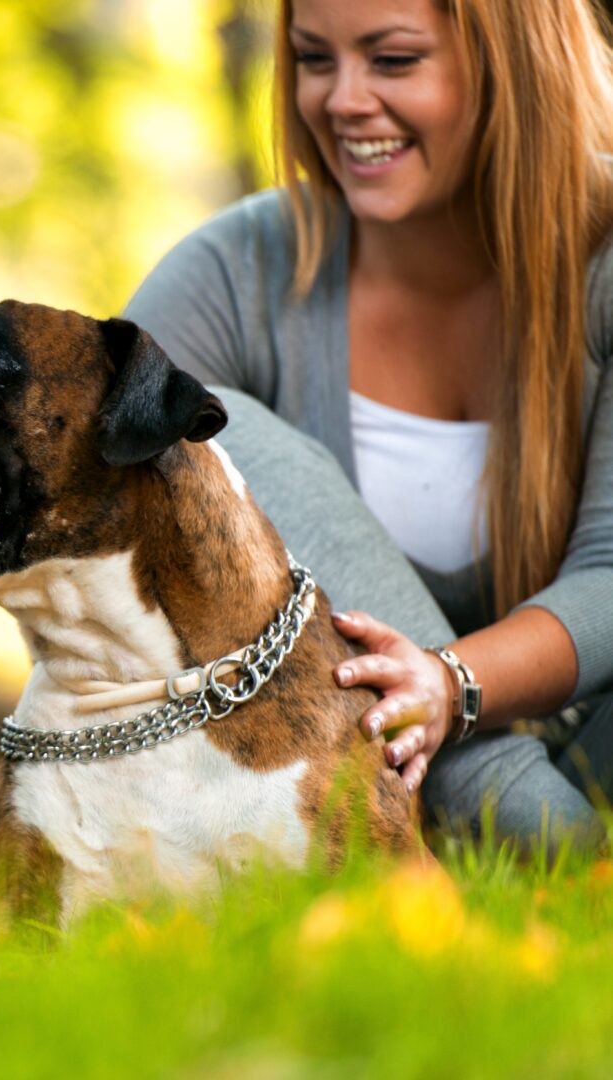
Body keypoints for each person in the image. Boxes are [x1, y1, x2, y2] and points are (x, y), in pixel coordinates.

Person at [125, 0, 613, 856]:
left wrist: (450, 683)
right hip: (374, 805)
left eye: (392, 60)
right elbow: (81, 445)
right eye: (316, 60)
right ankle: (544, 848)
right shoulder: (241, 270)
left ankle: (544, 849)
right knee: (202, 429)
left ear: (515, 65)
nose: (342, 100)